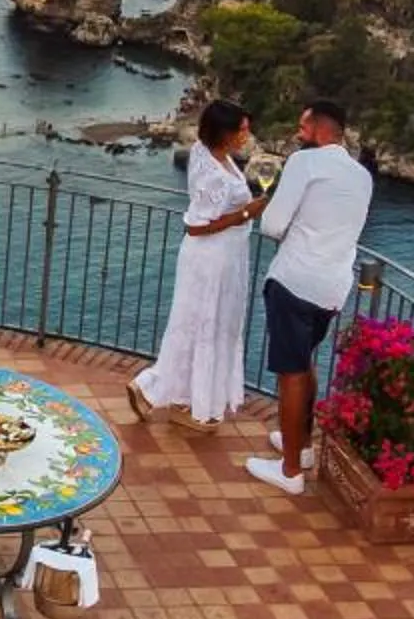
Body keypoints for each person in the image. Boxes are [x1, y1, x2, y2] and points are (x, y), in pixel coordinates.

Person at [246, 97, 375, 497]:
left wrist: (291, 228)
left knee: (290, 373)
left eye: (303, 128)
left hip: (295, 280)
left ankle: (289, 472)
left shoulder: (304, 163)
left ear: (320, 129)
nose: (298, 134)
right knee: (305, 363)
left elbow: (272, 225)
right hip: (333, 287)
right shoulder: (363, 177)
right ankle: (299, 447)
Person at [125, 101, 264, 431]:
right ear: (225, 132)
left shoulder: (211, 153)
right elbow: (198, 226)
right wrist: (249, 212)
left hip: (225, 258)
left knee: (204, 326)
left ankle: (184, 400)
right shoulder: (213, 170)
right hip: (211, 259)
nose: (247, 135)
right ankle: (150, 387)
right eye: (242, 129)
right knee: (201, 326)